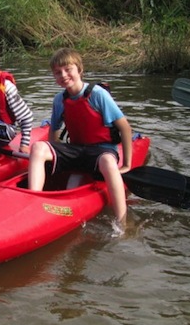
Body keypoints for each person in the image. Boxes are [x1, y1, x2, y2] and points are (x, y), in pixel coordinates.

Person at [27, 48, 133, 225]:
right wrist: (54, 157)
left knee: (107, 162)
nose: (63, 75)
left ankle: (122, 222)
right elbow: (54, 131)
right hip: (76, 150)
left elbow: (125, 128)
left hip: (101, 151)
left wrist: (127, 164)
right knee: (38, 147)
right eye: (58, 72)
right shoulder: (59, 99)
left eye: (68, 69)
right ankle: (32, 201)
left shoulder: (98, 94)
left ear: (79, 70)